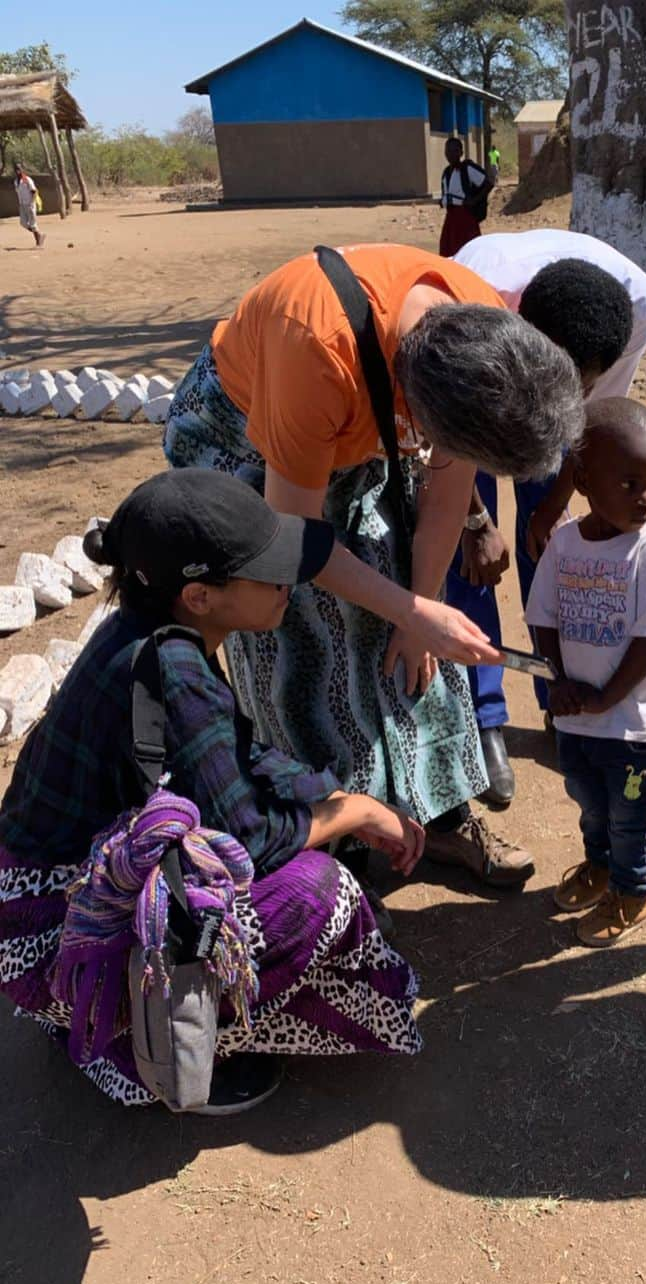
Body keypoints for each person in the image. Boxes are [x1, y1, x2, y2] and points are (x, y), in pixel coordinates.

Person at [0, 469, 425, 1112]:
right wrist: (351, 811)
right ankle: (162, 1044)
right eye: (269, 572)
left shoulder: (150, 632)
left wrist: (332, 795)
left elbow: (235, 755)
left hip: (30, 905)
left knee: (307, 836)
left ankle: (104, 1008)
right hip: (48, 934)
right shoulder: (173, 667)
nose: (290, 583)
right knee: (317, 892)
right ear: (199, 595)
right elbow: (249, 839)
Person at [164, 243, 583, 891]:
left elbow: (443, 503)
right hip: (244, 436)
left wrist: (418, 615)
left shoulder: (478, 333)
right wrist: (410, 608)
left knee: (416, 643)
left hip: (351, 418)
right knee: (294, 630)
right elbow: (291, 538)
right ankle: (331, 849)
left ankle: (442, 816)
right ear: (416, 412)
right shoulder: (315, 349)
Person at [451, 229, 646, 802]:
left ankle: (559, 697)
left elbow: (590, 425)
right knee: (468, 558)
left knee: (552, 550)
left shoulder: (635, 310)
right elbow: (445, 441)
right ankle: (484, 719)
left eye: (581, 380)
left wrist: (551, 505)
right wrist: (473, 521)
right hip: (475, 391)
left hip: (547, 393)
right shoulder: (470, 302)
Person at [527, 398, 646, 947]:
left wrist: (605, 698)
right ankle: (600, 869)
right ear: (582, 480)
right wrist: (559, 680)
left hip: (636, 728)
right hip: (578, 722)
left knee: (631, 816)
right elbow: (542, 618)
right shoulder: (564, 545)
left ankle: (634, 889)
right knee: (590, 805)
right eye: (629, 484)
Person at [439, 137, 491, 258]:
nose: (450, 154)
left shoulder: (467, 169)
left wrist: (475, 200)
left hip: (465, 217)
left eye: (454, 151)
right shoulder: (446, 172)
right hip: (451, 218)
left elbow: (488, 184)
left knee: (467, 250)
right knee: (449, 251)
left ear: (461, 153)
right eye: (448, 151)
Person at [13, 161, 44, 247]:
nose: (17, 171)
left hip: (29, 204)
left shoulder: (27, 180)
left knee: (33, 224)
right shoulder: (16, 181)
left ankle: (38, 242)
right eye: (16, 169)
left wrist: (32, 202)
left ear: (22, 169)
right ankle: (39, 234)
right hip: (22, 204)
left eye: (19, 169)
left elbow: (34, 191)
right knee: (23, 223)